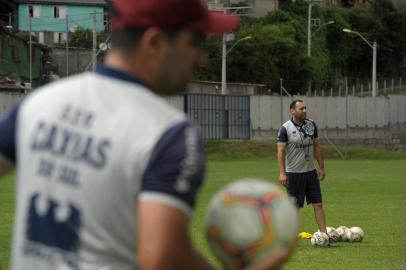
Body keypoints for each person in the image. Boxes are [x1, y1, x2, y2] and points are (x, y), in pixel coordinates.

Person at [0, 0, 293, 269]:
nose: (201, 59)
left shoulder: (39, 103)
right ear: (154, 41)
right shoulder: (168, 133)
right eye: (194, 43)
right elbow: (161, 257)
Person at [277, 99, 335, 246]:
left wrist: (321, 167)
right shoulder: (285, 128)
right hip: (293, 173)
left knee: (318, 204)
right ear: (292, 111)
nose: (304, 110)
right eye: (301, 108)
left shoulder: (311, 125)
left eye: (305, 108)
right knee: (294, 207)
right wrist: (282, 173)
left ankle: (325, 237)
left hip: (310, 172)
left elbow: (317, 146)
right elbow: (281, 151)